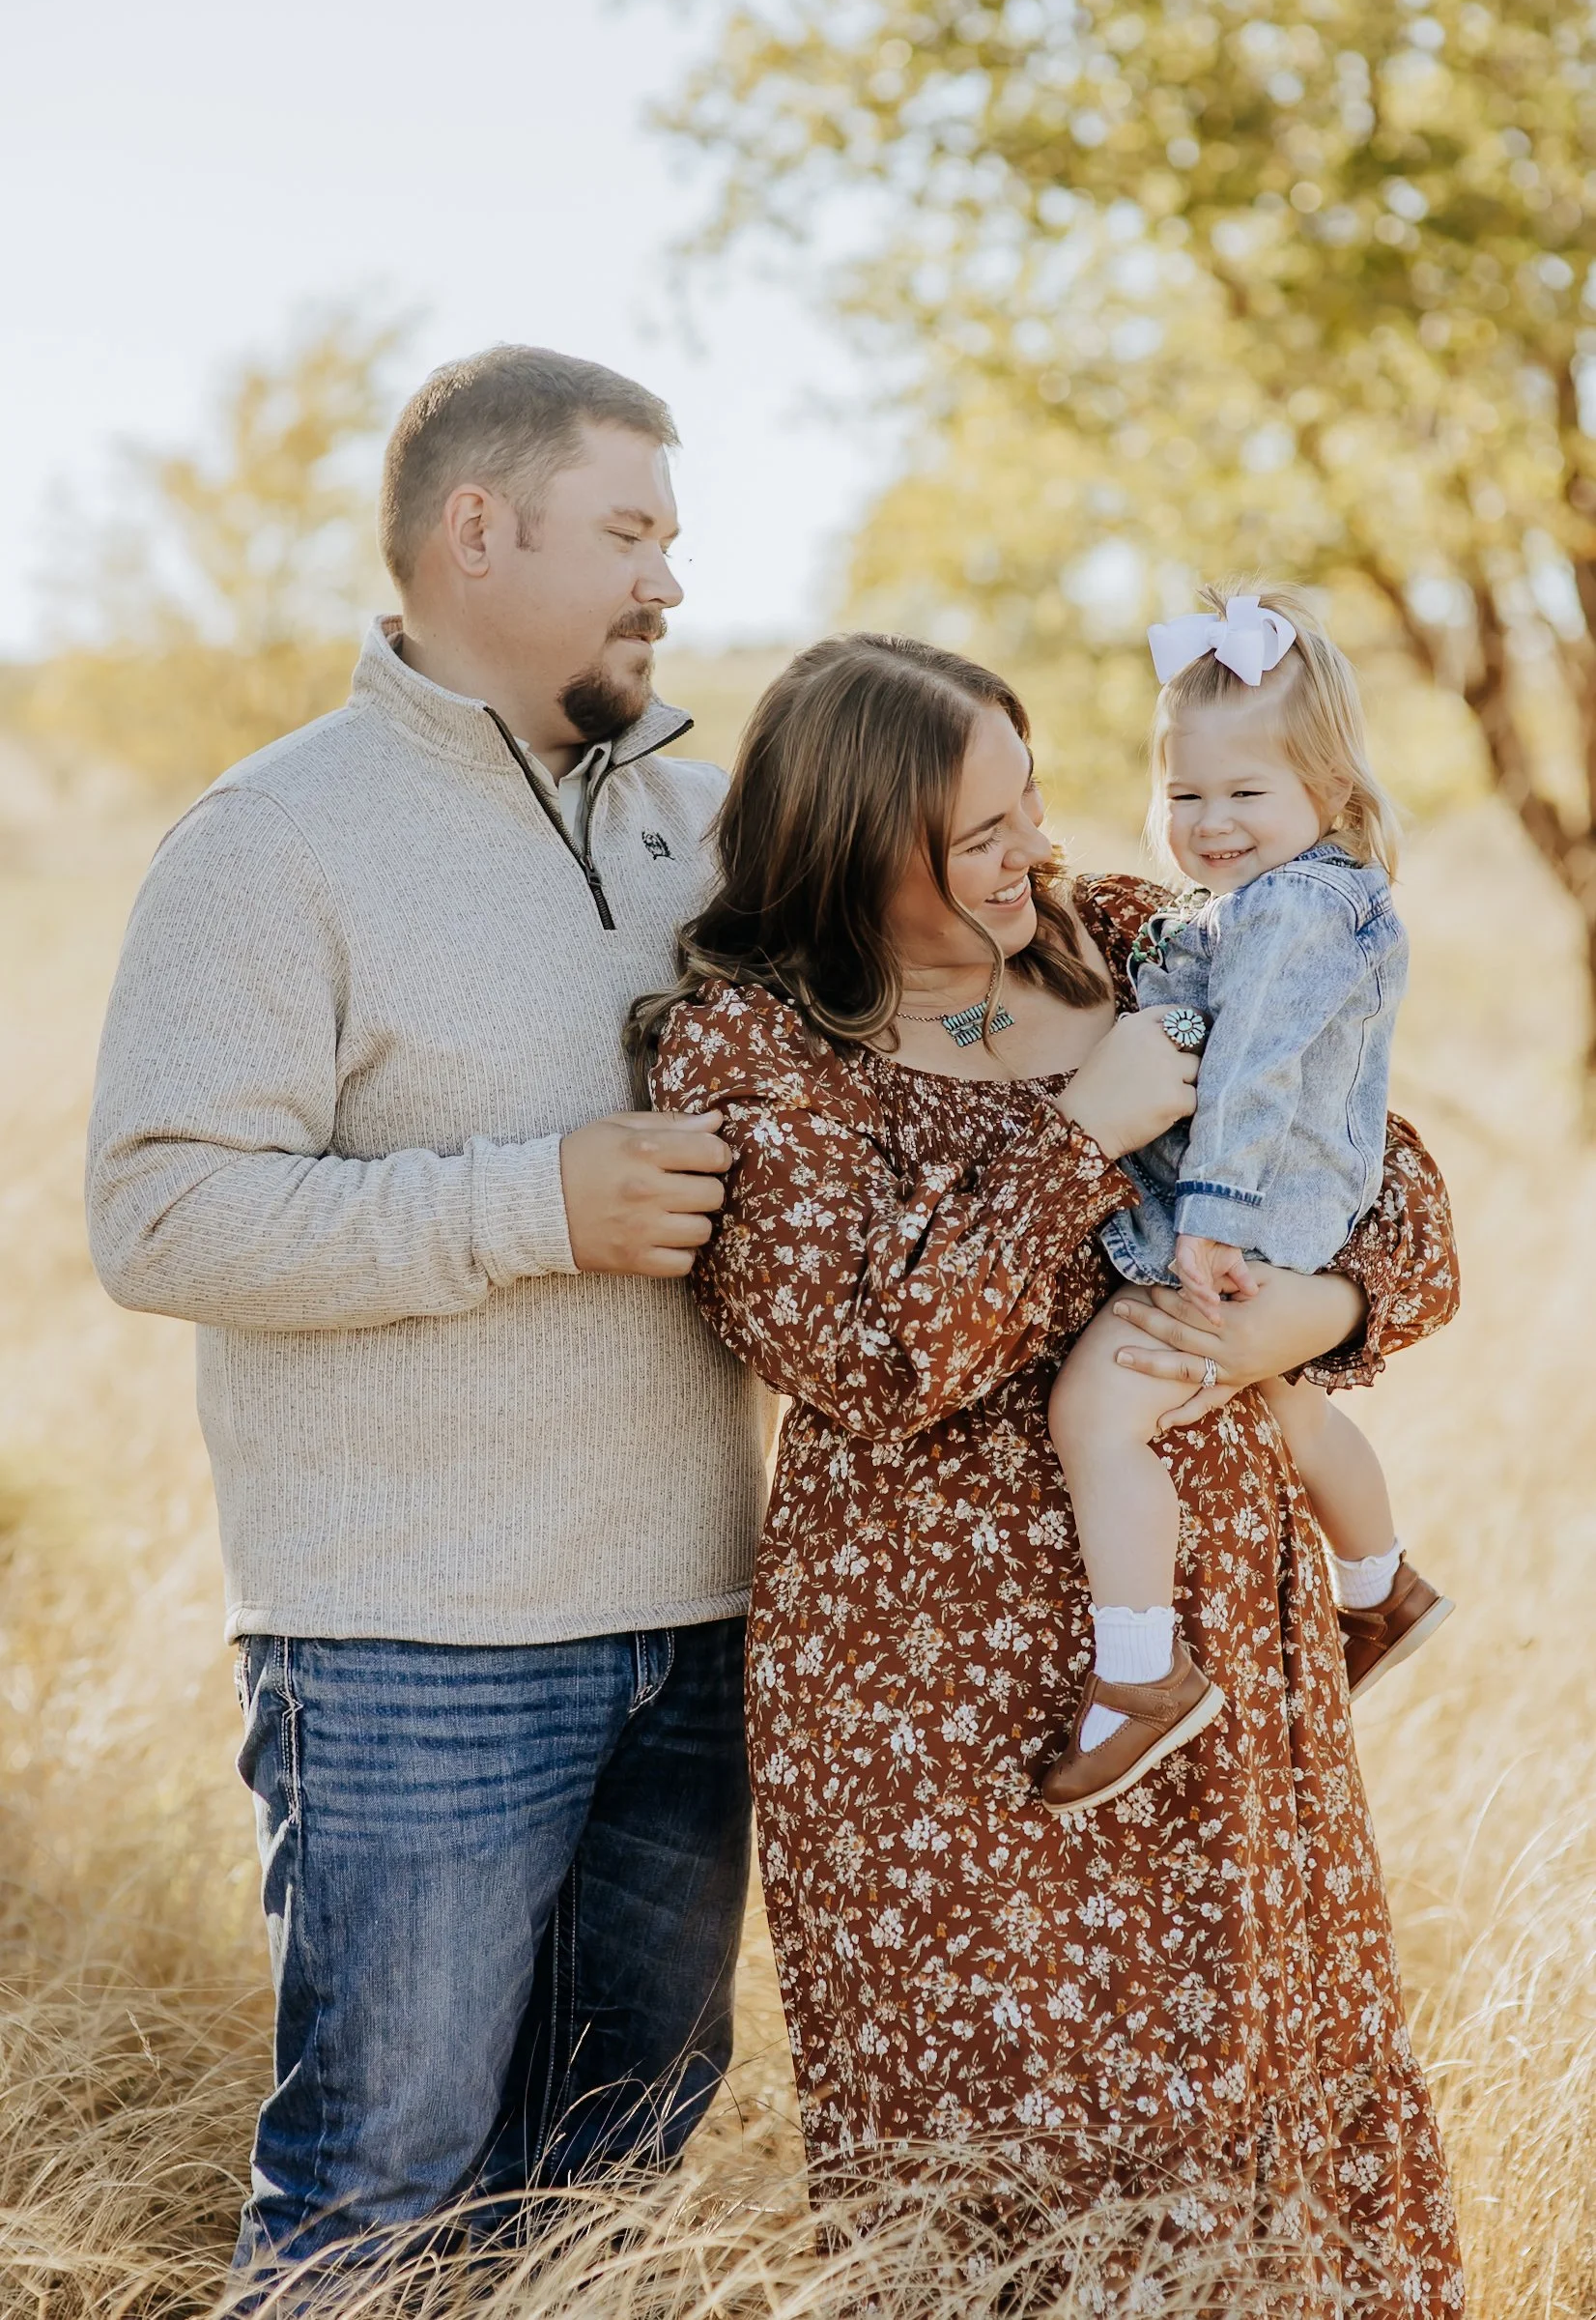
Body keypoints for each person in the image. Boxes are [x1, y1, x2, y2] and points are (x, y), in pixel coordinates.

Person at [635, 632, 1462, 2309]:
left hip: (1219, 1651)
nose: (1037, 852)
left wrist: (1281, 1322)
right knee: (1006, 2141)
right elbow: (872, 1357)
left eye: (1032, 801)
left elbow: (1403, 1213)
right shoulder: (756, 1054)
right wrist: (1076, 1134)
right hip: (940, 1718)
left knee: (1253, 2097)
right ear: (862, 850)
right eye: (982, 833)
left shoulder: (1152, 937)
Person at [86, 347, 774, 2287]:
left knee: (606, 2178)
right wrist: (532, 1207)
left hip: (699, 1614)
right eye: (630, 532)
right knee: (379, 2191)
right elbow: (159, 1213)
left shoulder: (699, 826)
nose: (667, 583)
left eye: (670, 539)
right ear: (477, 530)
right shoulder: (269, 842)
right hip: (412, 1646)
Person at [1040, 587, 1452, 1814]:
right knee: (1287, 1407)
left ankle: (1140, 1675)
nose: (1209, 824)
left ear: (1327, 791)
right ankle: (1380, 1587)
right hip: (1290, 1208)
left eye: (1244, 795)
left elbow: (1259, 1064)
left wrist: (1208, 1215)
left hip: (1248, 1208)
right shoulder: (1274, 898)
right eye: (1185, 795)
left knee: (1096, 1414)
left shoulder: (1284, 910)